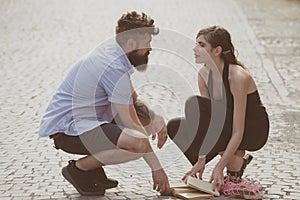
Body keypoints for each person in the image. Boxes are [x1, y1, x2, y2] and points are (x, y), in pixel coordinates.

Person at [39, 11, 170, 196]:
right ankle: (79, 169)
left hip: (91, 123)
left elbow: (134, 99)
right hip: (68, 131)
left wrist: (155, 116)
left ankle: (93, 170)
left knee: (146, 123)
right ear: (131, 43)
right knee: (139, 144)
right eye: (147, 43)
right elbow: (132, 124)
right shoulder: (112, 66)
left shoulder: (117, 55)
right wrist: (157, 169)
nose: (150, 48)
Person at [167, 26, 269, 192]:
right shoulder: (203, 75)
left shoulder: (237, 76)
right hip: (226, 125)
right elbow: (208, 124)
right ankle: (235, 162)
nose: (195, 49)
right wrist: (201, 159)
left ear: (217, 50)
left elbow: (238, 130)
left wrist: (219, 167)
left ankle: (233, 161)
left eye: (201, 45)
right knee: (174, 126)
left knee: (195, 104)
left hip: (252, 130)